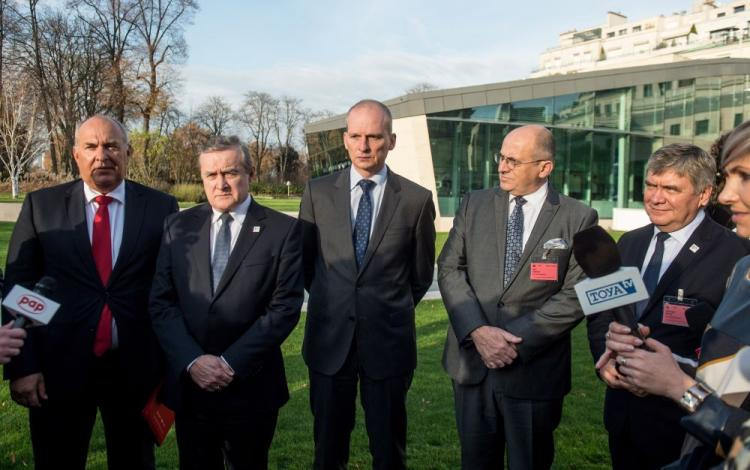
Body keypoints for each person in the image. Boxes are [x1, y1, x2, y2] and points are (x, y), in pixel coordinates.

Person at [2, 115, 179, 469]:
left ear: (128, 152)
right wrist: (23, 367)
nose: (103, 155)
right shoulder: (42, 206)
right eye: (91, 146)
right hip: (57, 369)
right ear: (75, 155)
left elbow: (172, 291)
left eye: (112, 146)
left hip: (135, 369)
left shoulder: (161, 208)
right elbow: (19, 290)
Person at [439, 124, 598, 469]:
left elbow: (578, 293)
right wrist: (478, 332)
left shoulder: (578, 217)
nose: (502, 166)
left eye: (513, 160)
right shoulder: (474, 204)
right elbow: (450, 269)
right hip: (472, 365)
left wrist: (513, 342)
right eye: (501, 157)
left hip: (534, 371)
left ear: (544, 168)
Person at [587, 143, 750, 470]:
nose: (655, 197)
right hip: (623, 416)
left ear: (703, 195)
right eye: (651, 185)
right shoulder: (627, 242)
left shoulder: (736, 255)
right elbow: (601, 315)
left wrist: (673, 375)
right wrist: (606, 358)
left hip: (689, 427)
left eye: (671, 189)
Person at [150, 136, 303, 470]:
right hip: (192, 387)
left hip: (251, 386)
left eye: (230, 172)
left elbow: (285, 308)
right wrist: (193, 361)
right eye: (211, 175)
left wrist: (229, 363)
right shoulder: (177, 227)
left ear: (249, 172)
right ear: (202, 178)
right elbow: (162, 302)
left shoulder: (284, 230)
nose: (220, 183)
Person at [299, 99, 436, 470]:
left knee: (389, 452)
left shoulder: (416, 200)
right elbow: (307, 264)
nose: (364, 146)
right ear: (345, 139)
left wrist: (386, 307)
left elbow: (421, 274)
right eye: (356, 136)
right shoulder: (317, 192)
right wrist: (337, 301)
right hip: (330, 344)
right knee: (327, 451)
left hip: (388, 346)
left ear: (391, 141)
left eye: (374, 137)